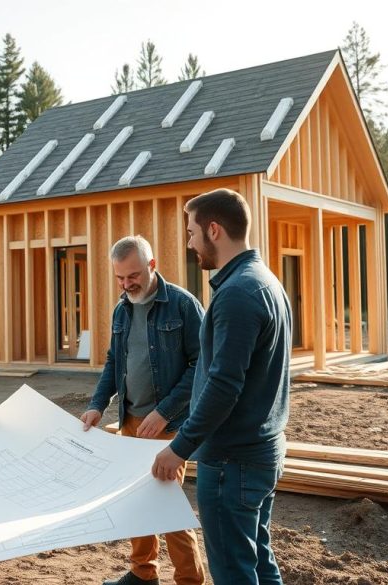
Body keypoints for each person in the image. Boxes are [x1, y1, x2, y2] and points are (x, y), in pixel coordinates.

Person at [152, 188, 292, 585]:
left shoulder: (237, 294)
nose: (190, 242)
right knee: (259, 563)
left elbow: (224, 385)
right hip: (260, 451)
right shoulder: (265, 282)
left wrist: (180, 447)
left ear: (214, 230)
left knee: (233, 571)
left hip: (233, 462)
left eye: (193, 232)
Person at [80, 235, 207, 585]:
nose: (126, 284)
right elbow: (113, 362)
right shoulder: (122, 308)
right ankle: (142, 573)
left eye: (133, 275)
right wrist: (97, 404)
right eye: (120, 278)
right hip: (131, 420)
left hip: (170, 424)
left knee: (165, 505)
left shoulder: (182, 305)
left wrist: (165, 411)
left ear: (152, 266)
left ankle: (189, 580)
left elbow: (201, 363)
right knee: (137, 502)